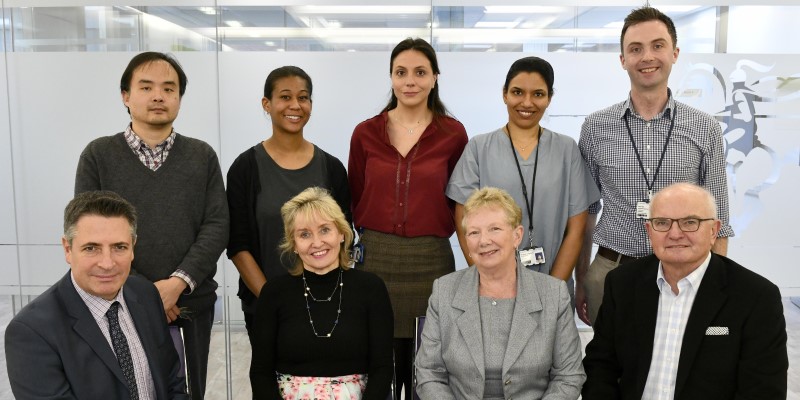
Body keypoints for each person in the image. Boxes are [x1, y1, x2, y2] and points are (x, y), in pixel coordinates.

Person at [74, 52, 229, 399]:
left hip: (189, 304)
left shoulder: (201, 156)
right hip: (116, 303)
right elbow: (87, 232)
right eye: (146, 87)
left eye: (168, 88)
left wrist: (176, 285)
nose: (158, 96)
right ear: (125, 96)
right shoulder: (98, 155)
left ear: (179, 98)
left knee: (188, 392)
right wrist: (145, 294)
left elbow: (217, 224)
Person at [576, 6, 733, 326]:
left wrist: (714, 288)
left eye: (657, 46)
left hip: (683, 272)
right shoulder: (595, 128)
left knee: (677, 369)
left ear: (675, 53)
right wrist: (581, 278)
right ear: (622, 60)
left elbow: (719, 220)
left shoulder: (705, 128)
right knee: (610, 368)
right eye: (635, 49)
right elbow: (586, 212)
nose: (647, 56)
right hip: (610, 271)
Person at [582, 183, 787, 399]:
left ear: (714, 231)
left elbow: (763, 391)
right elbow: (600, 368)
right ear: (649, 232)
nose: (675, 234)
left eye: (690, 222)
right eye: (662, 223)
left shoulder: (756, 297)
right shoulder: (622, 283)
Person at [347, 37, 468, 399]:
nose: (410, 81)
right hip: (376, 261)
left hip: (431, 261)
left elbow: (458, 200)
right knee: (376, 368)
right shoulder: (366, 132)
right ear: (391, 77)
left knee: (428, 370)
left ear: (434, 78)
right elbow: (356, 196)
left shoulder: (453, 133)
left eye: (420, 72)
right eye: (401, 73)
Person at [5, 191, 189, 400]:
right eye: (91, 248)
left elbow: (173, 383)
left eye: (119, 247)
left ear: (133, 248)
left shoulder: (146, 294)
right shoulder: (31, 332)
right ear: (68, 249)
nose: (107, 263)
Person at [447, 56, 599, 305]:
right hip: (492, 291)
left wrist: (552, 289)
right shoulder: (479, 148)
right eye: (517, 92)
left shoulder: (566, 150)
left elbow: (576, 227)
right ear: (504, 94)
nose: (527, 102)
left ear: (549, 98)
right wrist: (490, 279)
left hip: (554, 286)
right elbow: (465, 224)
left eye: (538, 94)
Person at [415, 187, 585, 399]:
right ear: (466, 242)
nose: (484, 241)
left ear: (517, 236)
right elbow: (429, 373)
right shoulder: (445, 291)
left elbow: (568, 377)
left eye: (494, 229)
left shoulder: (553, 294)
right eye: (474, 232)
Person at [226, 66, 350, 343]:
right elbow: (238, 244)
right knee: (271, 385)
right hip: (265, 307)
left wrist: (324, 298)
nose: (295, 105)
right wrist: (274, 300)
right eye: (285, 97)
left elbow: (344, 238)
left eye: (303, 97)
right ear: (267, 104)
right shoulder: (245, 168)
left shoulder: (332, 168)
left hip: (326, 306)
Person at [250, 187, 394, 400]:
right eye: (305, 234)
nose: (316, 243)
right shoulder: (273, 293)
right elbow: (261, 373)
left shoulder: (371, 289)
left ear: (342, 234)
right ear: (294, 245)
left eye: (325, 230)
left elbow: (382, 369)